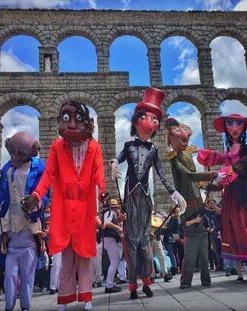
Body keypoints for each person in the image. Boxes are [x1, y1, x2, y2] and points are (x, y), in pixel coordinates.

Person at [22, 100, 106, 311]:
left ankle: (87, 297)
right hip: (63, 208)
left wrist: (103, 191)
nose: (70, 125)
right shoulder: (57, 146)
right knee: (66, 258)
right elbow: (48, 173)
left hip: (86, 207)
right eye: (66, 119)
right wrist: (36, 195)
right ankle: (65, 299)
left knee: (85, 256)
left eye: (77, 119)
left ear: (88, 123)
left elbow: (98, 171)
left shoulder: (94, 147)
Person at [111, 87, 183, 299]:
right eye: (145, 116)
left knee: (144, 242)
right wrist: (115, 162)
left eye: (154, 118)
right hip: (131, 197)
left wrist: (174, 193)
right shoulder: (128, 145)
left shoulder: (154, 150)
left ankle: (147, 282)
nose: (150, 122)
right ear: (136, 122)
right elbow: (119, 158)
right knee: (131, 243)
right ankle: (132, 284)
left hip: (145, 198)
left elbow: (161, 173)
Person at [198, 113, 247, 282]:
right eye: (230, 124)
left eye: (238, 124)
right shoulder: (227, 151)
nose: (235, 129)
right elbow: (218, 165)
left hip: (243, 193)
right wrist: (209, 183)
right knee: (232, 232)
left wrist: (224, 172)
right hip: (230, 194)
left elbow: (241, 166)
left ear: (243, 127)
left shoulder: (244, 148)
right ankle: (239, 273)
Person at [0, 131, 46, 311]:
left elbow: (47, 192)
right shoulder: (7, 169)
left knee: (27, 276)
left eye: (19, 153)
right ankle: (9, 306)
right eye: (12, 152)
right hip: (11, 226)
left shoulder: (39, 166)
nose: (15, 157)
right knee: (9, 275)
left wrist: (38, 201)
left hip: (29, 226)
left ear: (29, 152)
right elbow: (2, 196)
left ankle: (26, 307)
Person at [165, 118, 222, 288]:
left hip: (198, 204)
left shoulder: (188, 153)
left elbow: (195, 175)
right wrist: (210, 175)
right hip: (189, 206)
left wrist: (210, 182)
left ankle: (206, 280)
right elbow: (189, 175)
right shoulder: (174, 157)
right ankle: (185, 282)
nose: (185, 143)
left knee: (204, 255)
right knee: (189, 256)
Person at [101, 198, 124, 293]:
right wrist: (117, 227)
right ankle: (109, 285)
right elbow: (106, 223)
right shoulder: (109, 213)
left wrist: (118, 221)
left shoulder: (110, 213)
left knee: (115, 261)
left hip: (109, 239)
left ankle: (109, 284)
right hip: (110, 239)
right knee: (115, 261)